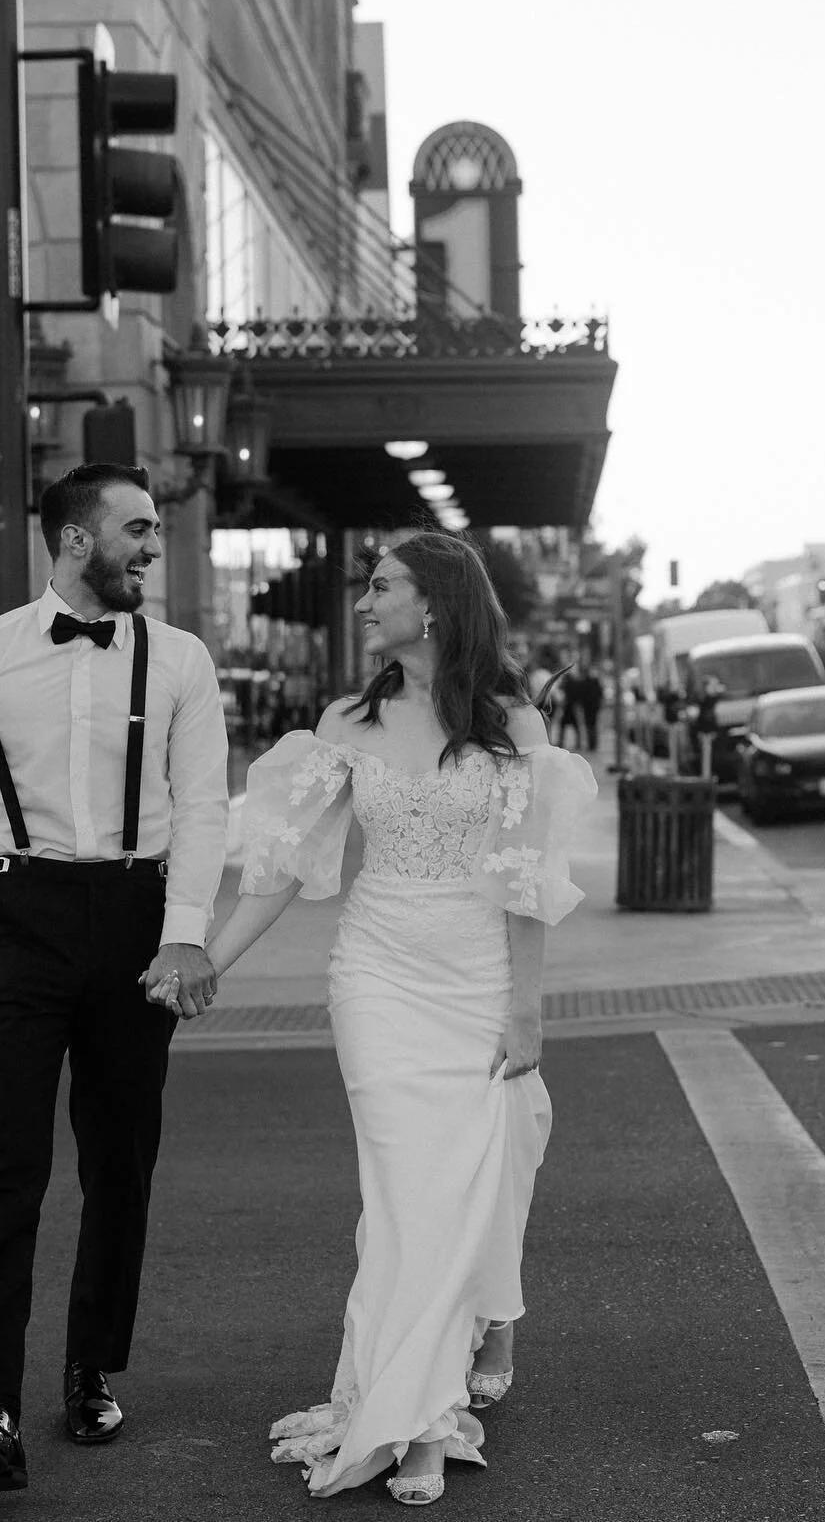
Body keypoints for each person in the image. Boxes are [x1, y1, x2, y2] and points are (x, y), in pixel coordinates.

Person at [149, 531, 595, 1505]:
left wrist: (526, 1010)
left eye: (380, 583)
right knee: (408, 1193)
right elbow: (278, 868)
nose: (363, 599)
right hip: (380, 976)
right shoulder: (345, 724)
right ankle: (421, 1415)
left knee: (473, 1176)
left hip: (476, 974)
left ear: (432, 602)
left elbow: (525, 879)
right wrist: (203, 961)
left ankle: (457, 1350)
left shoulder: (512, 721)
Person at [0, 463, 229, 1494]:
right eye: (136, 528)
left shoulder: (181, 659)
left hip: (134, 918)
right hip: (18, 921)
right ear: (75, 541)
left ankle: (89, 1367)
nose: (152, 546)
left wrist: (185, 933)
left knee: (119, 1160)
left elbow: (204, 804)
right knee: (2, 1163)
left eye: (155, 528)